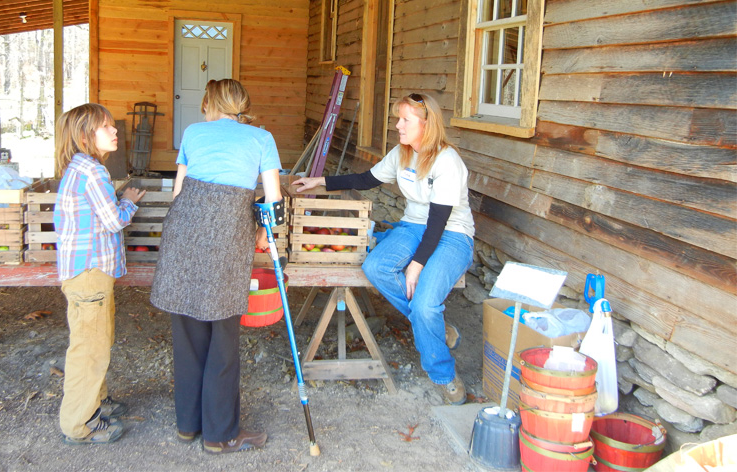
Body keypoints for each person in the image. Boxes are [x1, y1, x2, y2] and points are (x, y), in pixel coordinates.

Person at [292, 93, 474, 405]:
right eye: (397, 118)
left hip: (452, 234)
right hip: (413, 227)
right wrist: (320, 180)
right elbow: (365, 179)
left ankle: (443, 373)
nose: (397, 125)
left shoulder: (447, 162)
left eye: (405, 120)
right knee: (375, 267)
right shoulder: (402, 153)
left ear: (426, 123)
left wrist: (417, 264)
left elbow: (439, 221)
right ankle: (435, 329)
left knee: (426, 303)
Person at [150, 79, 282, 454]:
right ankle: (220, 434)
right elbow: (273, 199)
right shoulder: (261, 138)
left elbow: (178, 192)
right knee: (222, 339)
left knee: (189, 335)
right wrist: (262, 231)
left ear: (209, 103)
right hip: (226, 239)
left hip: (183, 234)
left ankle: (188, 426)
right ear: (242, 105)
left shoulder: (193, 132)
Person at [54, 103, 146, 444]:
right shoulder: (92, 172)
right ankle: (79, 425)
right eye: (106, 127)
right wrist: (130, 201)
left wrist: (118, 197)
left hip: (88, 273)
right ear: (84, 136)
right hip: (89, 272)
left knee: (97, 340)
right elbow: (113, 220)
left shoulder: (82, 168)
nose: (114, 131)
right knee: (89, 349)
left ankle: (96, 401)